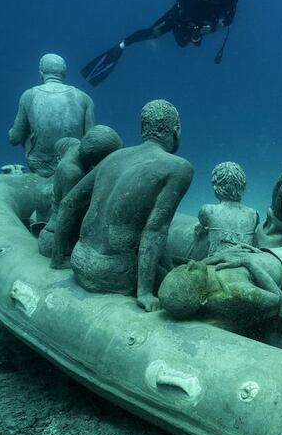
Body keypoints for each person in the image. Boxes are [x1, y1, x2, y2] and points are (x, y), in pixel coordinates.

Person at [49, 100, 192, 312]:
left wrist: (57, 258)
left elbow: (69, 203)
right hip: (113, 273)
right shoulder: (179, 168)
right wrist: (145, 293)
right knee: (187, 288)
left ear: (143, 129)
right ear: (176, 130)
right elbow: (155, 231)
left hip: (79, 261)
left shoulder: (114, 157)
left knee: (167, 263)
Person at [81, 0, 241, 86]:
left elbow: (229, 20)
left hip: (197, 25)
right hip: (178, 14)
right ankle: (121, 46)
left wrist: (212, 28)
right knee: (152, 33)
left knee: (182, 43)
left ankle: (189, 34)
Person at [158, 240, 282, 331]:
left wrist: (241, 253)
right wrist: (249, 262)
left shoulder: (204, 270)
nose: (190, 264)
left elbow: (201, 264)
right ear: (202, 297)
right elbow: (276, 299)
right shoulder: (236, 289)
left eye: (182, 268)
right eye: (189, 272)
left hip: (276, 254)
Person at [38, 126, 123, 257]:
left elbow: (60, 144)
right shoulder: (73, 173)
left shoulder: (75, 145)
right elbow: (67, 215)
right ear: (98, 159)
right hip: (57, 240)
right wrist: (58, 259)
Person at [9, 53, 95, 176]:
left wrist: (12, 132)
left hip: (40, 167)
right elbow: (91, 142)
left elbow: (15, 139)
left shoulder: (29, 95)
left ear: (41, 73)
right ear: (64, 74)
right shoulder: (85, 98)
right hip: (75, 166)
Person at [194, 161, 259, 257]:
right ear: (243, 186)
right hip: (246, 261)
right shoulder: (254, 214)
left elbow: (199, 231)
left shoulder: (208, 210)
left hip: (217, 263)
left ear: (216, 187)